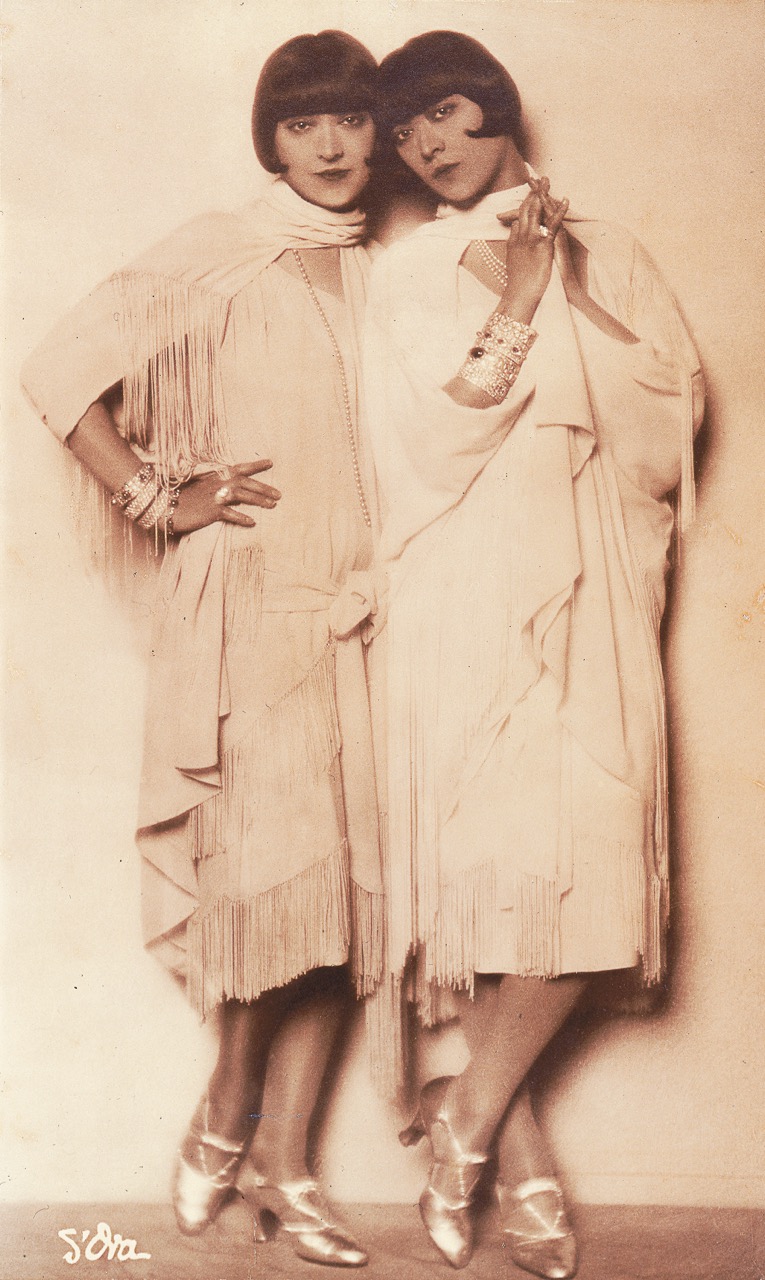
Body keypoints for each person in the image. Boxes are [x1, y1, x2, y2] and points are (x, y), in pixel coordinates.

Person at [21, 30, 384, 1269]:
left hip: (366, 612)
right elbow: (59, 368)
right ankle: (232, 1105)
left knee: (346, 897)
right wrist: (158, 496)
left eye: (351, 119)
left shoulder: (391, 269)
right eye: (301, 122)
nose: (329, 146)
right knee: (269, 884)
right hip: (248, 606)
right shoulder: (219, 250)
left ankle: (283, 1161)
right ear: (269, 136)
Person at [364, 30, 703, 1277]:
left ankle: (461, 1118)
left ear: (495, 108)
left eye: (443, 113)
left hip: (589, 578)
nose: (426, 146)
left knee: (588, 857)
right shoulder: (404, 269)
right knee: (485, 876)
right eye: (405, 134)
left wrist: (562, 280)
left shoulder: (606, 244)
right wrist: (514, 300)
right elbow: (420, 439)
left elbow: (674, 409)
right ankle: (520, 1157)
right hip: (459, 584)